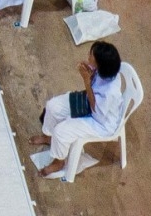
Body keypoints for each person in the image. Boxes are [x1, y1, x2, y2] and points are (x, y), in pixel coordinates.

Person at [32, 42, 137, 179]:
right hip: (91, 101)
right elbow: (95, 87)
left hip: (100, 121)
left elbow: (95, 110)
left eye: (91, 56)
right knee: (53, 106)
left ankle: (59, 162)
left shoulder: (111, 92)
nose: (88, 57)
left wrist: (86, 81)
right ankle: (49, 137)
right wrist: (92, 73)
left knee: (61, 131)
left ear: (101, 64)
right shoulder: (105, 70)